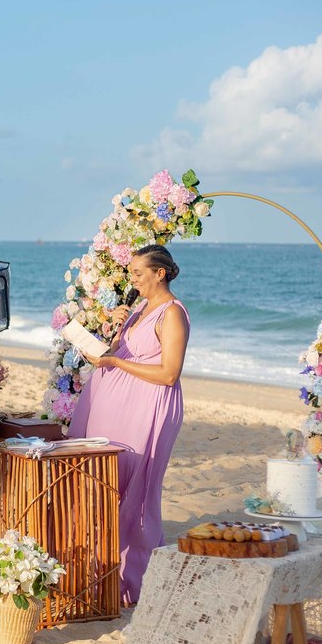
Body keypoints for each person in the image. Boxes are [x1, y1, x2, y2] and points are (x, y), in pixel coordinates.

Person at [69, 243, 189, 605]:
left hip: (148, 407)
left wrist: (116, 364)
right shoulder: (139, 309)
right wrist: (118, 332)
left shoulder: (172, 314)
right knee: (108, 485)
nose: (132, 280)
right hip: (118, 407)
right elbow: (124, 353)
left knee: (138, 491)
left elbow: (168, 374)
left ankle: (136, 581)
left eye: (138, 273)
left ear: (160, 273)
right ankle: (105, 571)